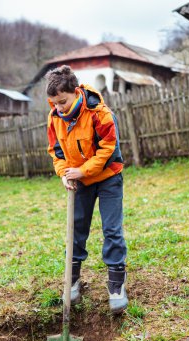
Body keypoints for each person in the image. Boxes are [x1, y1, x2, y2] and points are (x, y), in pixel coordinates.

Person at [45, 65, 128, 314]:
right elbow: (56, 152)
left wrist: (83, 170)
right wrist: (64, 174)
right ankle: (72, 280)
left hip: (108, 176)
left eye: (63, 102)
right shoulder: (55, 119)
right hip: (79, 180)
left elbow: (108, 149)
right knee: (76, 228)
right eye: (54, 103)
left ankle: (116, 285)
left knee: (111, 229)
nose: (59, 108)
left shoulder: (100, 114)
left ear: (76, 91)